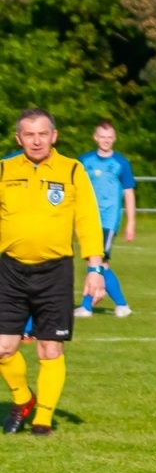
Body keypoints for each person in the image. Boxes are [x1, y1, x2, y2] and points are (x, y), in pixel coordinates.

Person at [0, 108, 109, 436]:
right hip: (9, 270)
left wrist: (95, 268)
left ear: (54, 136)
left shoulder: (72, 170)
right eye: (29, 135)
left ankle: (43, 419)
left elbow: (87, 220)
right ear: (19, 138)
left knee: (50, 347)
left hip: (55, 272)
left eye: (42, 134)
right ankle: (23, 399)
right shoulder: (4, 170)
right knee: (3, 348)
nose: (36, 141)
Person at [76, 121, 136, 317]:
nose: (106, 140)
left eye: (109, 137)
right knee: (96, 262)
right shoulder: (84, 161)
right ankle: (118, 305)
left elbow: (128, 193)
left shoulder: (121, 163)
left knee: (98, 262)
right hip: (88, 218)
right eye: (102, 137)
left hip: (108, 220)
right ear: (95, 137)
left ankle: (91, 306)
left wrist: (131, 223)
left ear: (114, 139)